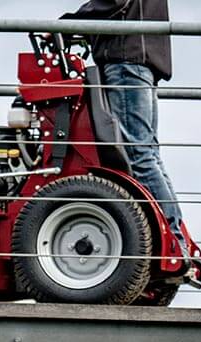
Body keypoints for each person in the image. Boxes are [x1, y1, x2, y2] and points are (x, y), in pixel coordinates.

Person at [63, 0, 186, 232]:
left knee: (138, 154)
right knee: (148, 153)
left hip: (125, 61)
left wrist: (67, 24)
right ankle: (175, 235)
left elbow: (113, 2)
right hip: (139, 61)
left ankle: (172, 238)